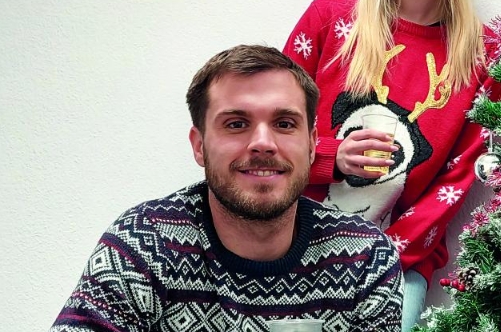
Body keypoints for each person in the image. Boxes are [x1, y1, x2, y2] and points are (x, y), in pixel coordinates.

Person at [283, 0, 499, 330]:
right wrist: (330, 157)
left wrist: (385, 256)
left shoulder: (483, 56)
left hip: (397, 267)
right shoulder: (329, 19)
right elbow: (269, 134)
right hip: (292, 249)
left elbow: (458, 180)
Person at [52, 45, 403, 331]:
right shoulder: (144, 244)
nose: (263, 144)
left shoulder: (365, 258)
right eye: (236, 124)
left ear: (312, 144)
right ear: (199, 145)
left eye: (284, 123)